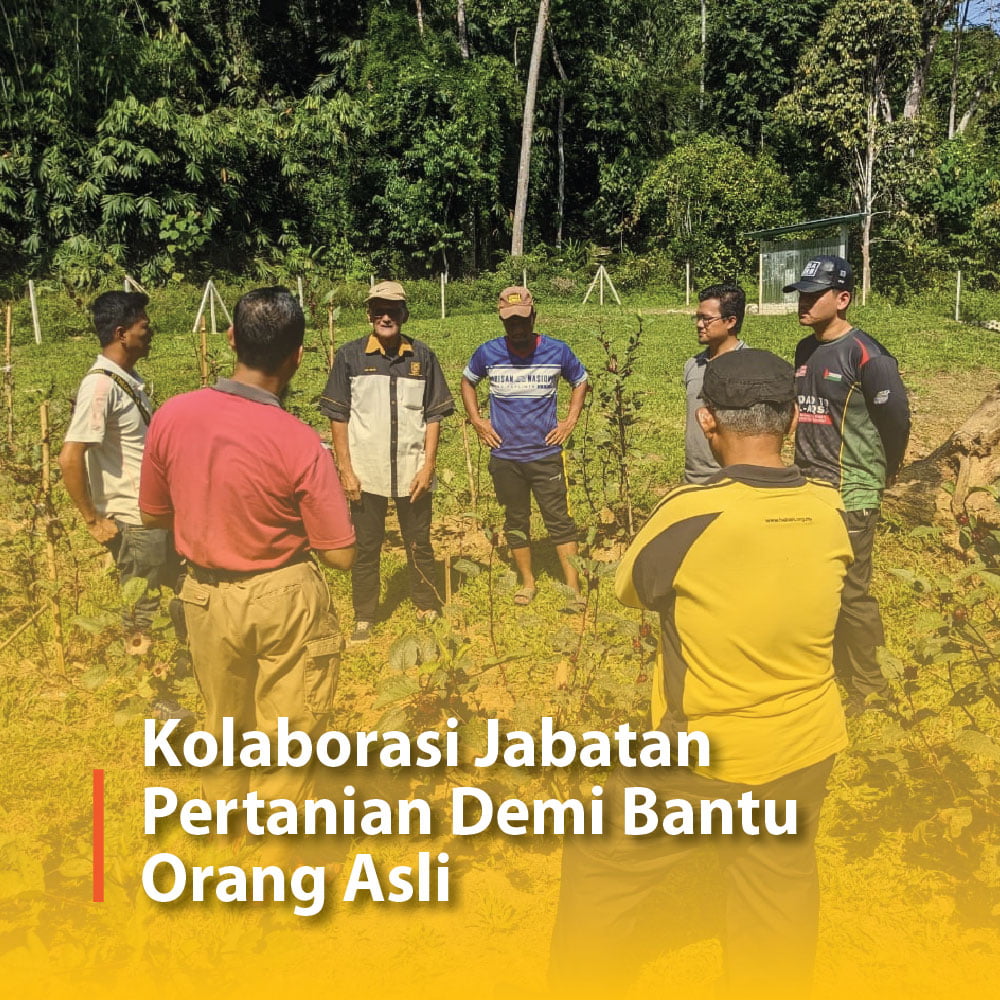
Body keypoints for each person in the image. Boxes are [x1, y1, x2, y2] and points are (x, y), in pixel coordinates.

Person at [550, 349, 852, 999]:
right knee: (776, 883)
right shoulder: (831, 511)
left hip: (704, 756)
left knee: (601, 858)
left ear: (706, 419)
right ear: (794, 420)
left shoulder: (691, 514)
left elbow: (633, 589)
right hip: (808, 747)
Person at [139, 287, 355, 814]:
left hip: (204, 597)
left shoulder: (172, 415)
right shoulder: (299, 440)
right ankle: (276, 858)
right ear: (298, 356)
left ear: (230, 338)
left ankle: (225, 832)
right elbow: (341, 555)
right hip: (283, 595)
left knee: (222, 723)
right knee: (289, 738)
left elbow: (152, 515)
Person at [58, 291, 191, 723]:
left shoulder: (123, 381)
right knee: (142, 612)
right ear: (122, 333)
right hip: (133, 523)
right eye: (144, 328)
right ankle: (154, 698)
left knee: (188, 591)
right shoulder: (99, 385)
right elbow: (70, 456)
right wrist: (93, 519)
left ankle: (182, 667)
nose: (149, 335)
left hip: (155, 517)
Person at [784, 255, 910, 706]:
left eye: (813, 295)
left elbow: (896, 420)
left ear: (842, 299)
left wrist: (884, 473)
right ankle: (825, 670)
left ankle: (871, 688)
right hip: (807, 488)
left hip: (850, 491)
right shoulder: (804, 350)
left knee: (852, 593)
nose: (804, 302)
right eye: (801, 294)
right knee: (814, 586)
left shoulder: (867, 355)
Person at [318, 281, 454, 644]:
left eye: (392, 310)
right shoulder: (350, 357)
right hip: (367, 472)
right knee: (366, 546)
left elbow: (434, 417)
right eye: (378, 309)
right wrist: (345, 470)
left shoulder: (422, 357)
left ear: (404, 314)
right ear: (369, 315)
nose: (385, 316)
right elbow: (338, 416)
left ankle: (426, 603)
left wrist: (428, 467)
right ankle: (364, 614)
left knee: (419, 542)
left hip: (413, 470)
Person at [461, 286, 588, 610]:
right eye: (509, 322)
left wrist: (569, 421)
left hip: (545, 454)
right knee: (515, 519)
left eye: (521, 320)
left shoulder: (557, 351)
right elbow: (468, 381)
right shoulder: (488, 353)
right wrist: (477, 421)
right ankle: (528, 582)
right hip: (505, 456)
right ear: (501, 319)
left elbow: (580, 380)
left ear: (533, 316)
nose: (516, 328)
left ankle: (574, 590)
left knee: (559, 520)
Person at [684, 283, 748, 484]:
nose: (699, 324)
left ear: (730, 321)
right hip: (693, 479)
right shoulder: (692, 365)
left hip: (732, 480)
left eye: (707, 319)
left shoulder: (750, 368)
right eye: (698, 317)